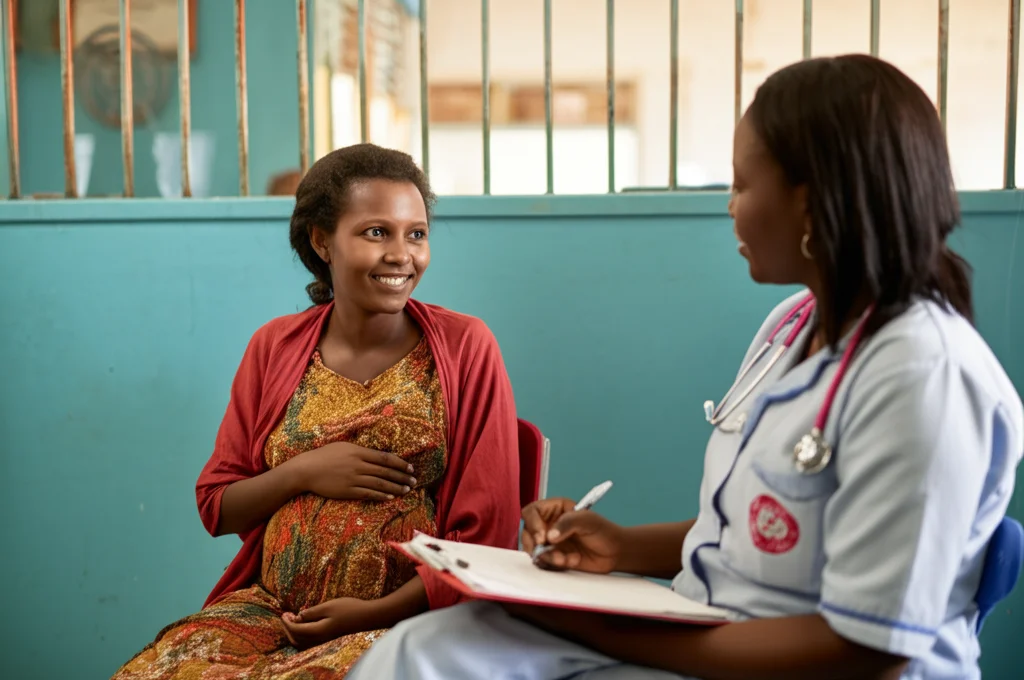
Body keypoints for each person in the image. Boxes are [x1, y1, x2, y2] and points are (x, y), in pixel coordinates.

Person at [345, 55, 1024, 680]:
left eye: (742, 183)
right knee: (425, 649)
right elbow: (760, 529)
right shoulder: (792, 328)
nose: (730, 204)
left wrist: (597, 626)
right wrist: (620, 549)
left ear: (813, 201)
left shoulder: (922, 377)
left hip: (793, 663)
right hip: (713, 623)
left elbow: (867, 649)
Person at [113, 144, 521, 679]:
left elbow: (487, 537)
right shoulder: (274, 346)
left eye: (416, 234)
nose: (402, 254)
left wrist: (375, 613)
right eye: (376, 232)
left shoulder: (465, 345)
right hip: (272, 612)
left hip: (404, 621)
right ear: (322, 241)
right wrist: (303, 471)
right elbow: (218, 506)